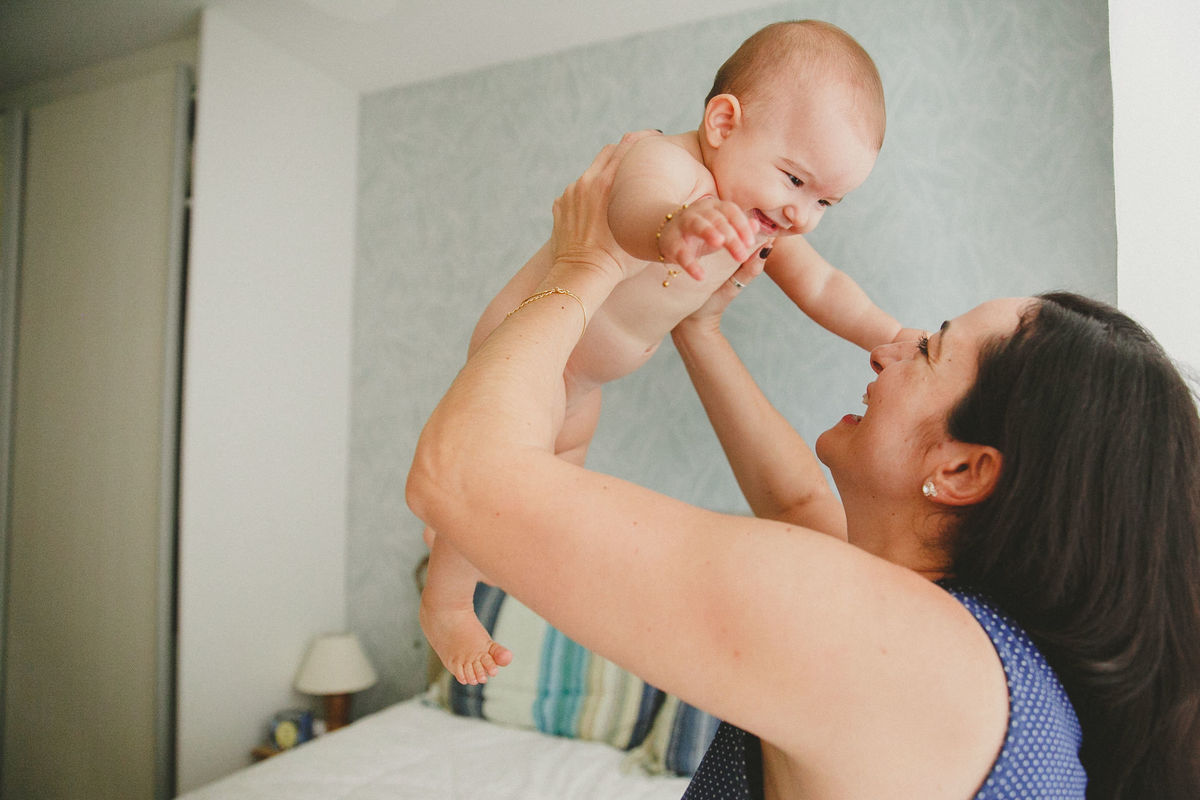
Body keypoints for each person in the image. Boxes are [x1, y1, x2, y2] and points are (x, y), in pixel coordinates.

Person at [407, 133, 1200, 798]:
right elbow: (793, 504)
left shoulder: (901, 650)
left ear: (963, 473)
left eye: (926, 349)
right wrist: (700, 329)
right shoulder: (952, 642)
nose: (887, 347)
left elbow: (459, 474)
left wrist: (583, 265)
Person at [421, 19, 921, 686]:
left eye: (826, 200)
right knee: (499, 482)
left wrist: (891, 336)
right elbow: (630, 210)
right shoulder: (670, 166)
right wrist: (675, 225)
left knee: (536, 492)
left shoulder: (763, 219)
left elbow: (826, 287)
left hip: (584, 383)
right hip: (530, 347)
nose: (803, 213)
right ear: (721, 122)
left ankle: (461, 551)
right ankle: (446, 600)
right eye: (796, 179)